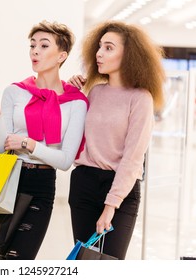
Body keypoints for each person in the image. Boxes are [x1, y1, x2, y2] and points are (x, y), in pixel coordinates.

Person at [0, 20, 89, 260]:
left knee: (21, 258)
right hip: (10, 179)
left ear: (62, 55)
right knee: (4, 257)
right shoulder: (14, 91)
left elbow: (65, 160)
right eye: (32, 45)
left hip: (42, 186)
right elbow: (0, 146)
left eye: (43, 45)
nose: (35, 51)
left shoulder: (75, 102)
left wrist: (28, 143)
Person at [67, 21, 165, 260]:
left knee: (111, 262)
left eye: (108, 48)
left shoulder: (141, 99)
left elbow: (133, 158)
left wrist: (110, 205)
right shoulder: (95, 92)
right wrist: (70, 96)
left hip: (120, 190)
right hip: (84, 183)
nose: (99, 53)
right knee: (85, 261)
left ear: (129, 55)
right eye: (99, 46)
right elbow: (73, 139)